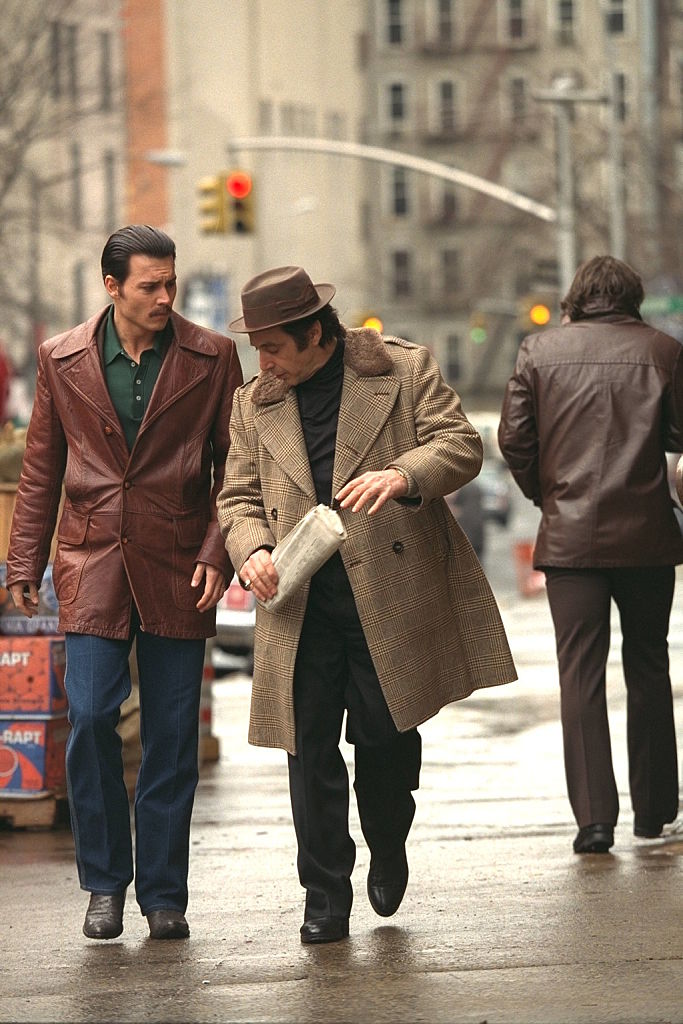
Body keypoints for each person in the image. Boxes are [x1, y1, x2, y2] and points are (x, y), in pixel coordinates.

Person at [217, 265, 516, 944]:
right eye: (256, 349)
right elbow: (235, 498)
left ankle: (386, 837)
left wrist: (403, 473)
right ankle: (324, 894)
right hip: (298, 602)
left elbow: (462, 446)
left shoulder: (403, 371)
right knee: (308, 750)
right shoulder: (252, 403)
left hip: (386, 594)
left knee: (385, 737)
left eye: (274, 349)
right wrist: (252, 549)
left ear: (315, 335)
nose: (263, 364)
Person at [6, 225, 243, 939]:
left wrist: (217, 550)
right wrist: (24, 562)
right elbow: (41, 465)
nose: (164, 297)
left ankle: (165, 894)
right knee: (89, 719)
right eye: (149, 286)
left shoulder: (213, 357)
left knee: (171, 736)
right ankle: (105, 882)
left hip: (179, 564)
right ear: (112, 287)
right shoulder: (63, 358)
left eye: (170, 283)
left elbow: (234, 469)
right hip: (90, 561)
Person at [498, 255, 682, 855]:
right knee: (649, 665)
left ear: (577, 297)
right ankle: (655, 811)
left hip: (570, 539)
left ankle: (594, 821)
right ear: (633, 299)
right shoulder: (664, 353)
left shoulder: (538, 352)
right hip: (649, 536)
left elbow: (514, 441)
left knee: (580, 673)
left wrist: (548, 495)